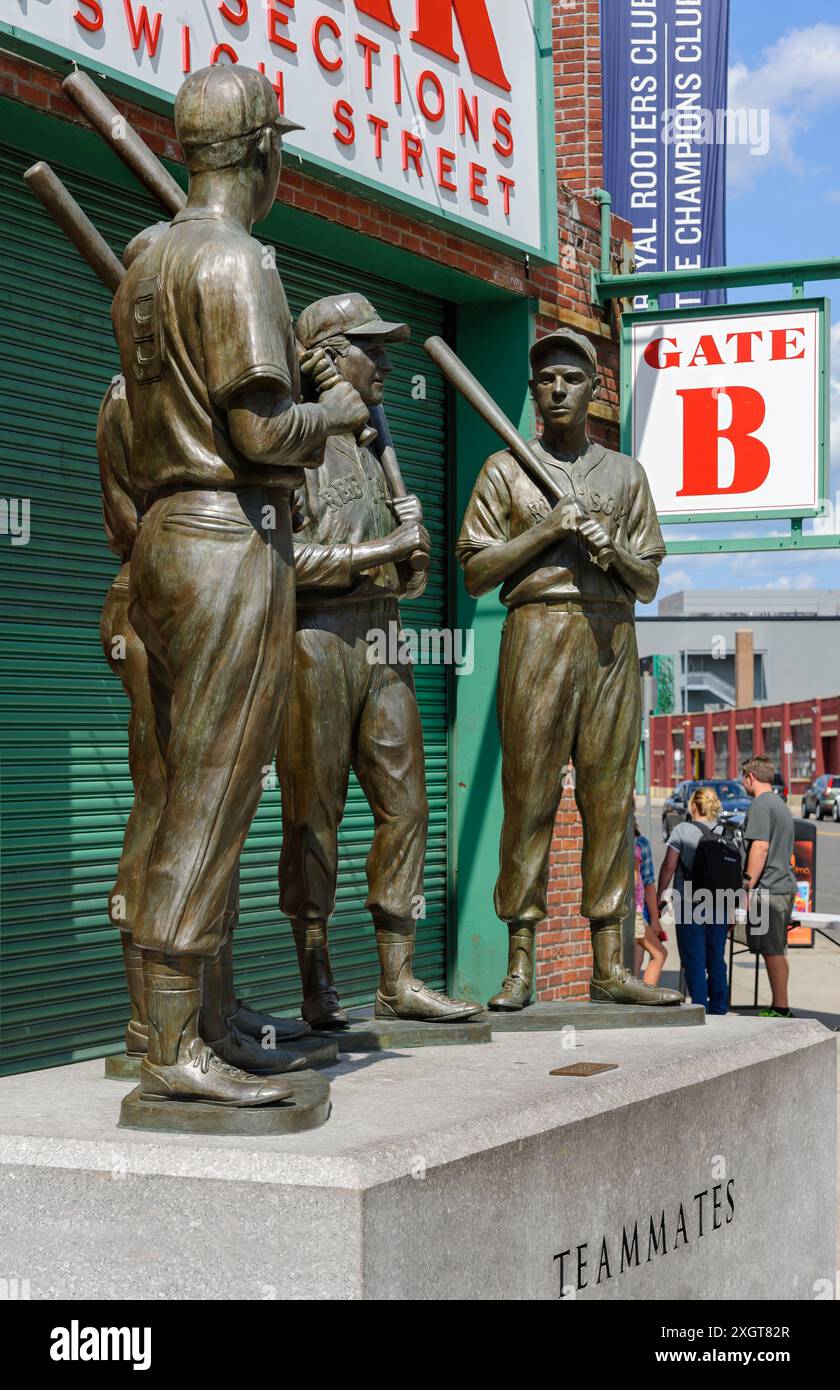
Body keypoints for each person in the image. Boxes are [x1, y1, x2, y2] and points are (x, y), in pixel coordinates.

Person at [111, 66, 369, 1107]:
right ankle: (175, 1045)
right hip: (230, 532)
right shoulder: (237, 259)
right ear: (263, 151)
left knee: (177, 788)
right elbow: (263, 432)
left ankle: (194, 1022)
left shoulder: (145, 263)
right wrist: (339, 416)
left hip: (168, 539)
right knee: (212, 796)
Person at [456, 328, 682, 1009]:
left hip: (612, 635)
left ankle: (608, 966)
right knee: (527, 797)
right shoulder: (504, 469)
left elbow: (647, 582)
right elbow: (473, 572)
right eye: (544, 380)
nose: (555, 389)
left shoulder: (626, 475)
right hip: (537, 632)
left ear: (593, 390)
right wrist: (547, 530)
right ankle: (520, 963)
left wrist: (611, 548)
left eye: (570, 378)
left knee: (609, 802)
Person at [277, 292, 480, 1025]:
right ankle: (316, 978)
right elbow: (279, 562)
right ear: (329, 359)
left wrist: (410, 560)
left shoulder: (371, 446)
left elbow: (403, 570)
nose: (387, 362)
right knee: (312, 814)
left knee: (408, 806)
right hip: (315, 639)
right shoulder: (290, 441)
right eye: (372, 348)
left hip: (385, 636)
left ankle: (397, 979)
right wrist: (380, 551)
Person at [657, 787, 730, 1015]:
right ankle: (719, 1008)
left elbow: (669, 865)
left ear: (693, 806)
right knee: (716, 959)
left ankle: (699, 1007)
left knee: (694, 959)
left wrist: (662, 893)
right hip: (720, 905)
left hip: (689, 906)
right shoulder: (724, 833)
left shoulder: (682, 830)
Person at [741, 755, 797, 1018]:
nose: (743, 783)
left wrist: (747, 885)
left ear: (751, 777)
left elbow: (760, 847)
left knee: (771, 950)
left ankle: (781, 1008)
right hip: (783, 887)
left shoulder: (761, 805)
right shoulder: (780, 804)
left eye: (743, 777)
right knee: (776, 948)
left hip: (768, 890)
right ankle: (780, 1004)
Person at [634, 822, 666, 987]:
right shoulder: (638, 845)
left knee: (629, 968)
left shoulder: (608, 841)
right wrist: (654, 919)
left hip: (621, 913)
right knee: (658, 954)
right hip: (635, 914)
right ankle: (644, 1004)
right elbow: (648, 884)